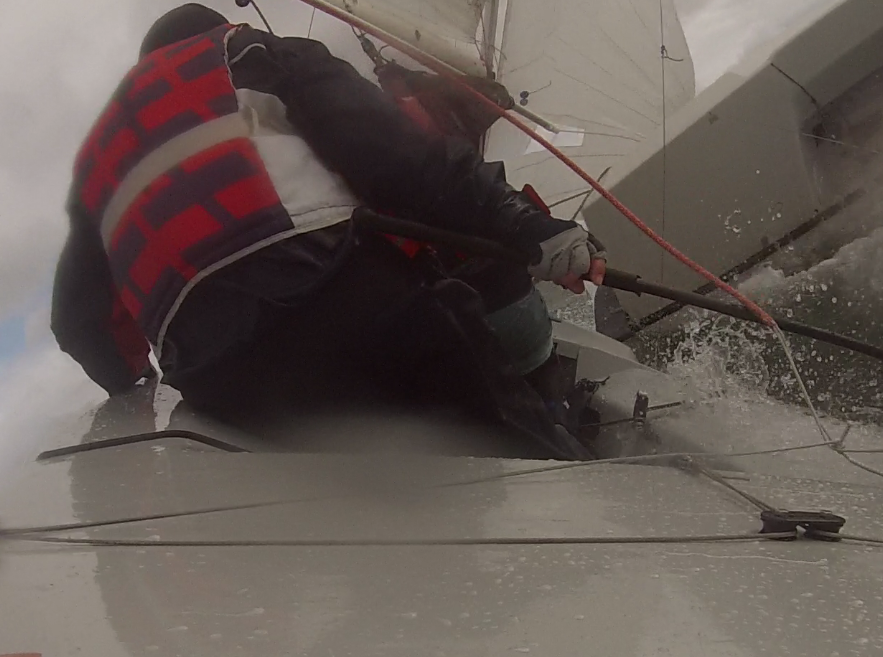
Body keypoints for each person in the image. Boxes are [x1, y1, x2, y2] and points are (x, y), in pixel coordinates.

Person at [50, 3, 606, 460]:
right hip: (351, 308)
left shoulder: (98, 162)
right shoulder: (249, 51)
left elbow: (79, 324)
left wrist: (130, 382)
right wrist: (528, 225)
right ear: (220, 29)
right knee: (523, 456)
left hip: (222, 383)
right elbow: (400, 162)